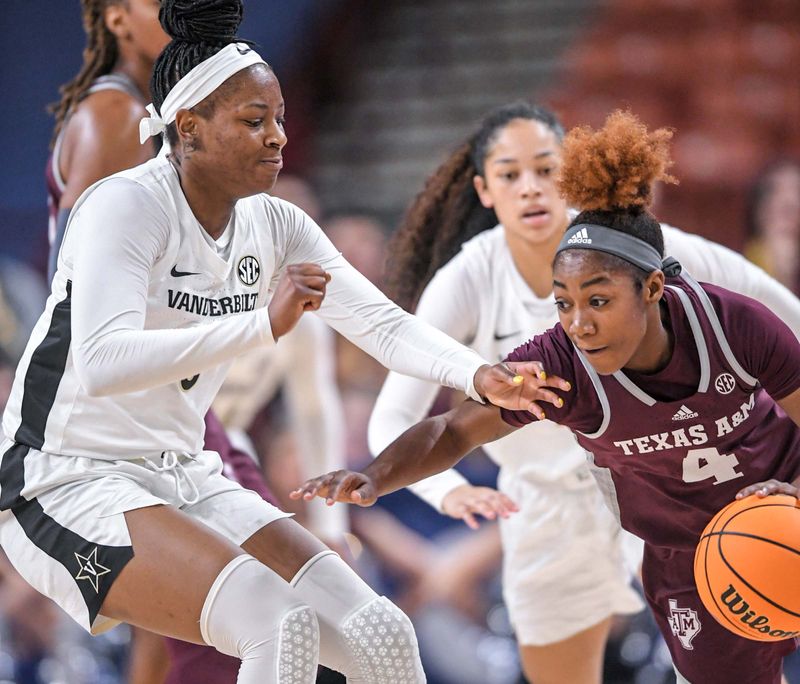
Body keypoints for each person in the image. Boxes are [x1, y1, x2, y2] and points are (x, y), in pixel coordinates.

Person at [0, 2, 551, 683]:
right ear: (190, 128)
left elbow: (380, 324)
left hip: (183, 469)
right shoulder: (126, 206)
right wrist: (262, 325)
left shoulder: (277, 225)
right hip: (65, 478)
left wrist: (478, 376)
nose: (278, 138)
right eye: (254, 121)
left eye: (281, 119)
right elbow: (103, 362)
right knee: (275, 623)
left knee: (381, 633)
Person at [295, 111, 800, 684]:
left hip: (755, 494)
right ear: (484, 189)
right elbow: (452, 428)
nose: (579, 323)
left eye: (544, 170)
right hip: (600, 507)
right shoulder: (549, 354)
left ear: (655, 286)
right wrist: (382, 478)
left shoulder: (720, 311)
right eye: (563, 303)